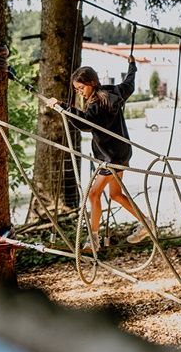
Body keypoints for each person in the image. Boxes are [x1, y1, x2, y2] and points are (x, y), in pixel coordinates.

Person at [46, 56, 153, 251]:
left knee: (94, 194)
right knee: (116, 194)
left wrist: (62, 107)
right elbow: (129, 83)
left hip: (110, 157)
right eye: (77, 90)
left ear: (93, 83)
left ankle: (93, 238)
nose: (80, 93)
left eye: (82, 88)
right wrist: (132, 66)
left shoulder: (96, 105)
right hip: (121, 153)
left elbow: (86, 123)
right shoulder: (114, 92)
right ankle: (146, 223)